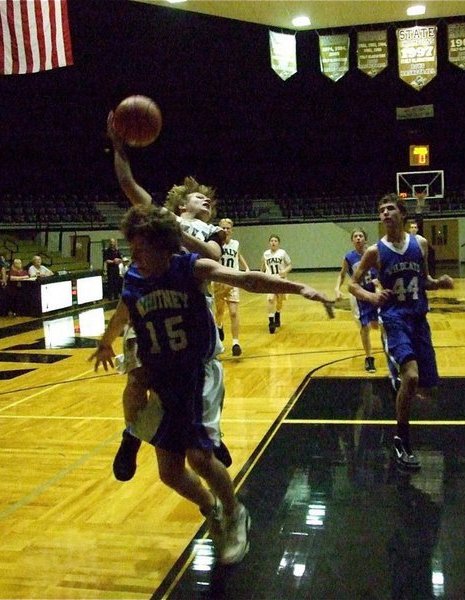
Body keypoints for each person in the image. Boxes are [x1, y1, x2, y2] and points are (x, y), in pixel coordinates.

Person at [91, 204, 332, 565]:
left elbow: (248, 280)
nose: (134, 256)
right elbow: (124, 313)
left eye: (141, 249)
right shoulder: (136, 280)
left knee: (199, 456)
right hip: (164, 380)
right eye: (132, 250)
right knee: (170, 474)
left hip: (198, 374)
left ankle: (236, 513)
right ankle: (211, 508)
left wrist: (299, 287)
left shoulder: (190, 268)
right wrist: (106, 340)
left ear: (163, 245)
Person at [106, 111, 228, 482]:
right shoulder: (157, 215)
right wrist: (118, 146)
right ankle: (131, 437)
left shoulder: (210, 231)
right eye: (198, 197)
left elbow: (213, 257)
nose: (205, 202)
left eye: (209, 200)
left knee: (193, 378)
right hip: (147, 303)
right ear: (180, 205)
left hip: (188, 311)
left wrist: (177, 235)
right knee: (138, 378)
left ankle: (206, 433)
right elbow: (127, 182)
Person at [349, 193, 454, 470]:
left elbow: (426, 280)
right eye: (381, 210)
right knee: (411, 377)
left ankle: (399, 378)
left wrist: (439, 283)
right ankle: (400, 438)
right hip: (394, 319)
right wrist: (371, 298)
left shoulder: (420, 243)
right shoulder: (375, 251)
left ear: (402, 214)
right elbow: (353, 285)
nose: (385, 213)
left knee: (427, 387)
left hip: (419, 318)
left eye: (390, 208)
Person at [334, 228, 381, 373]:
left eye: (361, 235)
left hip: (374, 292)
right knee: (364, 327)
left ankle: (391, 353)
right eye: (355, 236)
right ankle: (369, 358)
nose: (358, 238)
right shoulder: (349, 257)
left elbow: (384, 270)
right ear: (352, 240)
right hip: (358, 295)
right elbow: (342, 275)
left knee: (381, 325)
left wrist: (378, 281)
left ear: (365, 239)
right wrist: (337, 288)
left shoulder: (374, 253)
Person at [214, 218, 250, 357]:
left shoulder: (235, 243)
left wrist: (246, 268)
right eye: (223, 228)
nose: (225, 230)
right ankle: (220, 325)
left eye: (228, 228)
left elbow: (238, 255)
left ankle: (236, 342)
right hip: (218, 280)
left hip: (233, 280)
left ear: (232, 230)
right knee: (219, 312)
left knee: (234, 312)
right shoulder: (215, 244)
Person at [260, 235, 292, 334]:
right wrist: (261, 276)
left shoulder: (282, 253)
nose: (273, 242)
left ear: (278, 243)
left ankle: (277, 313)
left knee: (279, 300)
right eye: (272, 241)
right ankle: (271, 321)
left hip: (280, 279)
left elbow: (290, 265)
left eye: (275, 241)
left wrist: (285, 271)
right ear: (269, 243)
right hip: (270, 279)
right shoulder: (266, 254)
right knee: (270, 299)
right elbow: (262, 268)